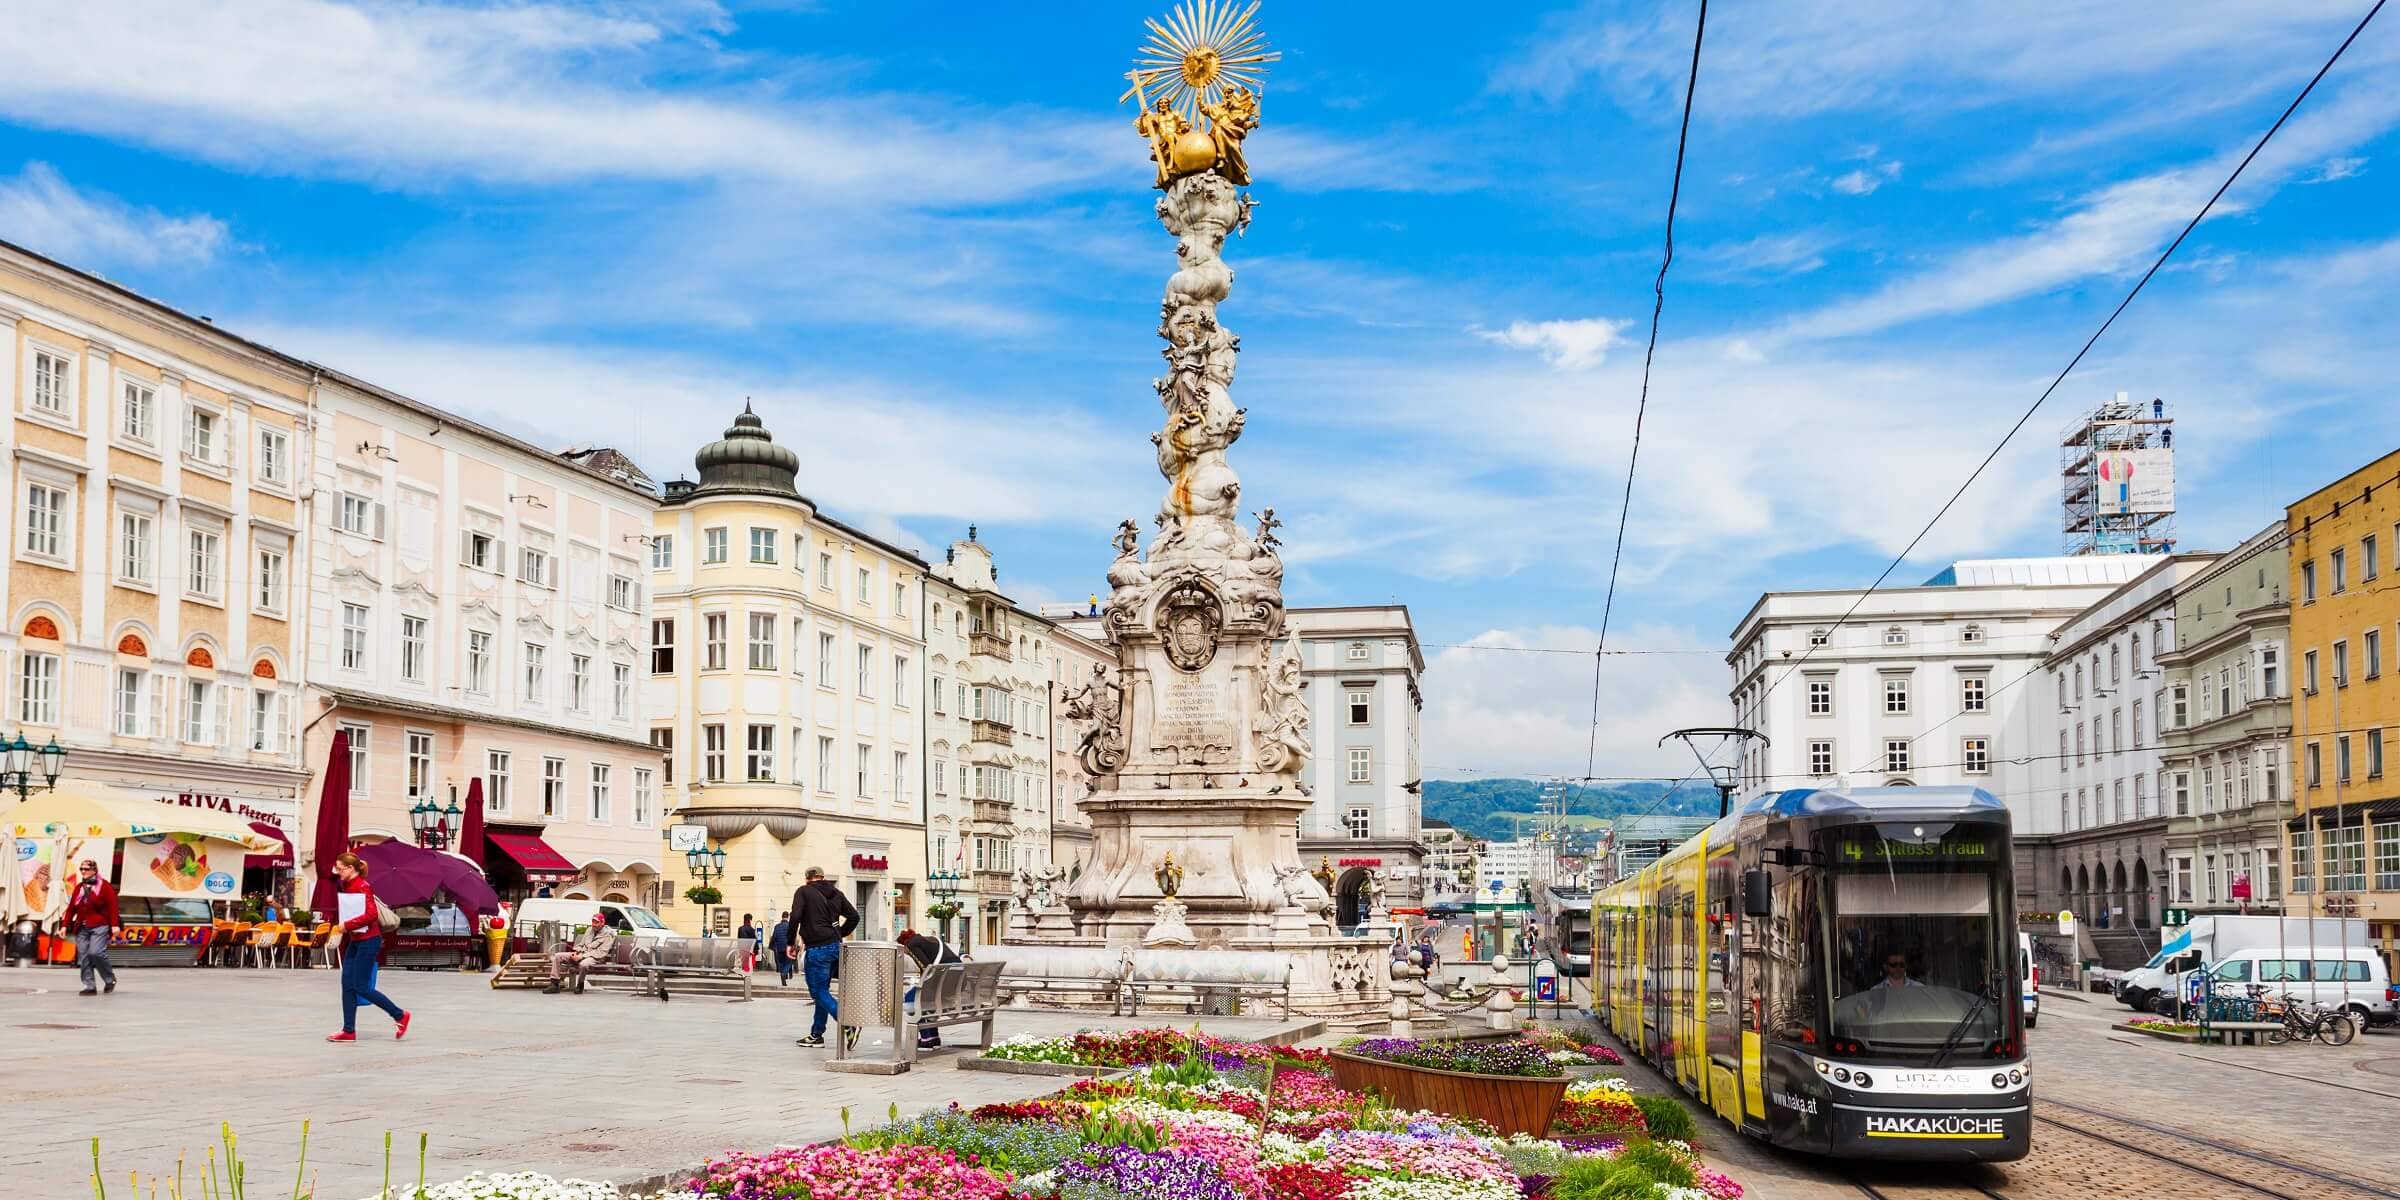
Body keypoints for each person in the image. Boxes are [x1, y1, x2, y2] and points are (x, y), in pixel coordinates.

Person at [327, 852, 410, 1043]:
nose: (337, 872)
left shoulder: (363, 886)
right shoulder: (348, 885)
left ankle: (399, 1015)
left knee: (361, 986)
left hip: (368, 941)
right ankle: (348, 1031)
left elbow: (371, 915)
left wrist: (346, 926)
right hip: (356, 941)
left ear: (350, 868)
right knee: (347, 984)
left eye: (339, 869)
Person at [787, 866, 858, 1047]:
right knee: (823, 991)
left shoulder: (803, 892)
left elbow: (795, 917)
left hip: (817, 948)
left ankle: (847, 1022)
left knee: (817, 991)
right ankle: (816, 1034)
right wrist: (839, 933)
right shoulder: (836, 893)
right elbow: (854, 917)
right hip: (835, 946)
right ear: (822, 877)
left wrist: (790, 943)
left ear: (807, 878)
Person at [62, 859, 121, 996]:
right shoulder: (79, 887)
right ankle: (89, 986)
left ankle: (109, 979)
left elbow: (113, 907)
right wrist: (64, 925)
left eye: (86, 869)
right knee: (84, 957)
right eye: (81, 869)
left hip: (100, 925)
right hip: (82, 927)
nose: (83, 871)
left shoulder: (105, 887)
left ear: (94, 870)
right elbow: (71, 909)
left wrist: (114, 925)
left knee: (95, 952)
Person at [898, 929, 962, 1050]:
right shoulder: (931, 940)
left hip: (944, 981)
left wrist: (920, 983)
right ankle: (933, 1036)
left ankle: (927, 1037)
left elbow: (927, 967)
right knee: (924, 997)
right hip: (955, 980)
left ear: (904, 945)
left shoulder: (911, 945)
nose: (905, 953)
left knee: (911, 998)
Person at [545, 912, 616, 994]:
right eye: (593, 922)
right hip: (581, 954)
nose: (594, 924)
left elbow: (601, 952)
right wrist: (576, 952)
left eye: (596, 922)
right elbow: (581, 944)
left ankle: (580, 985)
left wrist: (582, 956)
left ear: (602, 922)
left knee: (583, 964)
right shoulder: (589, 930)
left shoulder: (609, 935)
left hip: (595, 958)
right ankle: (554, 984)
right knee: (558, 956)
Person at [766, 911, 796, 987]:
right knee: (789, 962)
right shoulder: (790, 926)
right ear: (788, 917)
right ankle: (784, 974)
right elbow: (792, 937)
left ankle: (783, 976)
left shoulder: (777, 926)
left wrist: (771, 946)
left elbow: (774, 937)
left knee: (782, 963)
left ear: (782, 917)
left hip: (779, 948)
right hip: (788, 948)